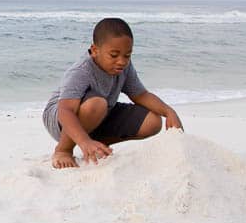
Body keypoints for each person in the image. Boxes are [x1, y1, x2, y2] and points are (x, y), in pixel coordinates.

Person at [42, 17, 183, 169]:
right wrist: (83, 142)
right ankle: (63, 149)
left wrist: (168, 111)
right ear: (95, 50)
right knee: (97, 104)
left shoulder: (124, 67)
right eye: (114, 55)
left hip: (103, 113)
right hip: (62, 119)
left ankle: (99, 144)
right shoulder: (82, 71)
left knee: (153, 121)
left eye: (127, 55)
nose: (121, 61)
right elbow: (66, 110)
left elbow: (140, 95)